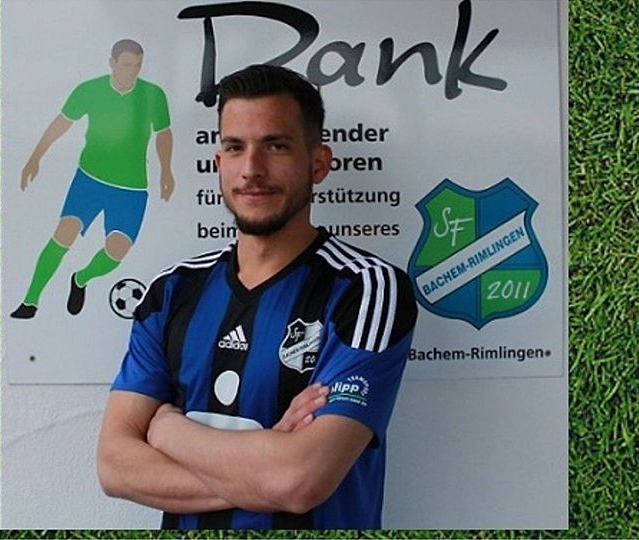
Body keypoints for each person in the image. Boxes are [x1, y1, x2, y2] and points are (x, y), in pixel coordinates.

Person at [96, 64, 416, 529]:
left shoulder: (366, 290)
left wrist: (168, 431)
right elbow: (115, 467)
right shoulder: (171, 292)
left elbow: (300, 481)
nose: (251, 169)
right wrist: (269, 468)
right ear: (218, 162)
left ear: (318, 163)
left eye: (276, 146)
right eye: (235, 147)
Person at [11, 39, 175, 319]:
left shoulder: (153, 95)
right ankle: (30, 301)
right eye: (127, 64)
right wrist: (35, 157)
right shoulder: (89, 90)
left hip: (131, 188)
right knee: (64, 233)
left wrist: (166, 170)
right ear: (112, 63)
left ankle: (81, 278)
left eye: (138, 65)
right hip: (90, 179)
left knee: (116, 252)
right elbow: (62, 123)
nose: (132, 70)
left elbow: (164, 133)